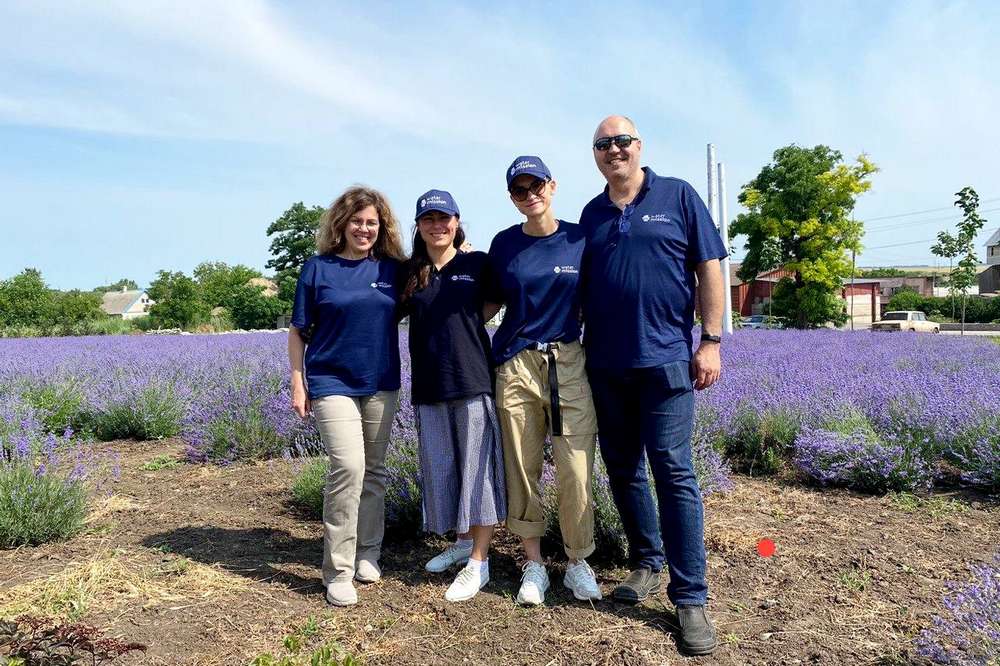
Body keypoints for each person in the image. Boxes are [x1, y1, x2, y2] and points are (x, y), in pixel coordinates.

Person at [579, 116, 727, 656]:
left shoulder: (679, 195)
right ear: (594, 154)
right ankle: (647, 561)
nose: (613, 149)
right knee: (622, 469)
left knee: (673, 470)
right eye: (603, 144)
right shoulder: (591, 215)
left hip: (665, 361)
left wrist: (710, 340)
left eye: (621, 141)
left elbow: (710, 268)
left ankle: (690, 597)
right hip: (606, 364)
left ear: (639, 147)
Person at [483, 156, 601, 606]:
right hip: (515, 364)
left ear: (552, 186)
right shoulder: (504, 244)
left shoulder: (578, 239)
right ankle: (533, 564)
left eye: (536, 185)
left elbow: (597, 300)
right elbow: (490, 303)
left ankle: (577, 562)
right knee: (522, 465)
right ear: (512, 197)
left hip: (568, 361)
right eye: (519, 189)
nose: (529, 195)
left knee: (575, 467)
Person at [288, 186, 405, 607]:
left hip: (380, 382)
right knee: (348, 466)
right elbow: (299, 331)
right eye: (357, 221)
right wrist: (299, 383)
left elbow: (436, 274)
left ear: (382, 226)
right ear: (342, 224)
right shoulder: (318, 269)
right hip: (331, 381)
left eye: (372, 222)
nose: (364, 228)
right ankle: (337, 570)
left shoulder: (394, 270)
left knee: (374, 471)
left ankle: (367, 553)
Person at [399, 189, 507, 602]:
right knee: (444, 467)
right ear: (419, 226)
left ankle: (479, 562)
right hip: (429, 385)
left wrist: (470, 320)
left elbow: (497, 298)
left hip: (472, 379)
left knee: (478, 471)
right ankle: (463, 542)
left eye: (444, 218)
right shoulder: (411, 272)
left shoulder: (476, 264)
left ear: (457, 222)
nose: (437, 225)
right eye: (428, 219)